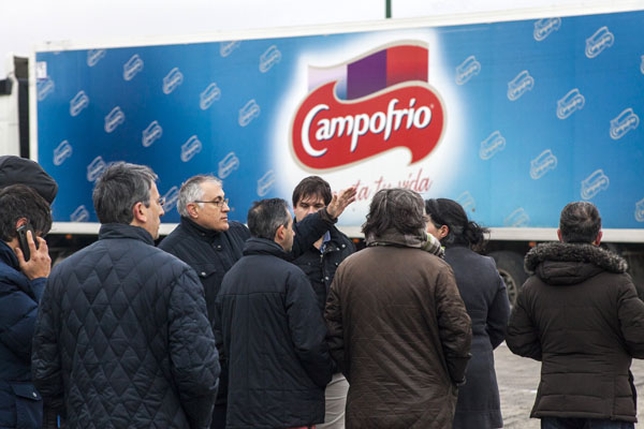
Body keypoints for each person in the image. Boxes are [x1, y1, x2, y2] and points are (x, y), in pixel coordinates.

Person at [32, 162, 220, 429]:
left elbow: (45, 370)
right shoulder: (176, 274)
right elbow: (199, 373)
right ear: (140, 211)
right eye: (158, 201)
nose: (162, 209)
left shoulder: (62, 275)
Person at [159, 174, 356, 429]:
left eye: (225, 200)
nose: (227, 207)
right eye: (218, 201)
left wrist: (327, 215)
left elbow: (285, 241)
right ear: (193, 209)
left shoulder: (238, 234)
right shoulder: (171, 254)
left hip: (262, 377)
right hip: (215, 384)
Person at [325, 188, 472, 429]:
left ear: (373, 218)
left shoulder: (348, 268)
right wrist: (451, 379)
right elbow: (458, 334)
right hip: (427, 406)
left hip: (367, 404)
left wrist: (358, 374)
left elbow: (334, 334)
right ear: (417, 220)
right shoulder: (436, 269)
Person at [506, 201, 644, 429]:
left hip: (555, 404)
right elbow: (640, 339)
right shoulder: (619, 284)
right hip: (608, 406)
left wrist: (553, 351)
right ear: (598, 237)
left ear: (560, 235)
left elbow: (517, 339)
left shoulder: (534, 285)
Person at [215, 198, 334, 429]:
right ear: (281, 232)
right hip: (290, 410)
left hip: (243, 410)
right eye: (291, 227)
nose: (294, 234)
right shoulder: (292, 277)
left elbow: (221, 346)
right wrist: (323, 377)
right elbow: (310, 344)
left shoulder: (230, 278)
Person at [425, 198, 510, 429]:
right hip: (477, 367)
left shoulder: (429, 267)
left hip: (436, 366)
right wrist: (477, 343)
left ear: (443, 231)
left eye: (426, 223)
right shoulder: (487, 266)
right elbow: (502, 323)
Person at [291, 176, 354, 429]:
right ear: (293, 208)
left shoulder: (344, 246)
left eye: (318, 207)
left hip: (334, 364)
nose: (310, 213)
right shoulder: (285, 247)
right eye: (304, 205)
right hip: (294, 363)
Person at [0, 184, 52, 429]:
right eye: (40, 236)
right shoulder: (4, 280)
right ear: (23, 228)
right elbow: (41, 338)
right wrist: (40, 280)